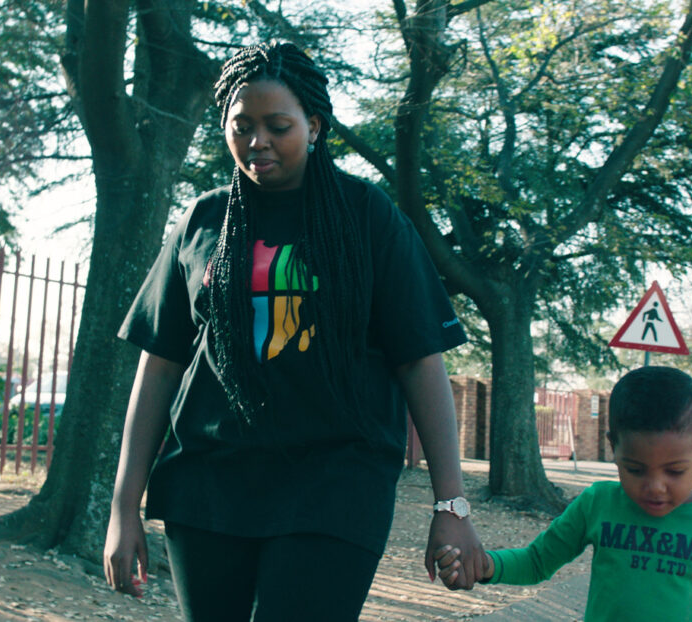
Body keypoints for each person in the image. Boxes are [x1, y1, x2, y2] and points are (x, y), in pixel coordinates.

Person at [103, 41, 483, 621]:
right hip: (210, 485)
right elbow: (160, 365)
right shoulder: (203, 221)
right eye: (242, 126)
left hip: (335, 484)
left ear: (314, 125)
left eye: (277, 125)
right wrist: (123, 505)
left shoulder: (369, 218)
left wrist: (450, 504)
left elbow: (420, 361)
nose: (258, 141)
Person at [436, 366, 692, 621]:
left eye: (674, 471)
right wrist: (486, 566)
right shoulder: (598, 503)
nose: (655, 486)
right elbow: (538, 561)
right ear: (613, 449)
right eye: (635, 469)